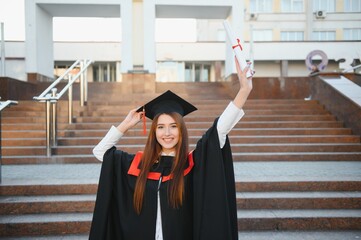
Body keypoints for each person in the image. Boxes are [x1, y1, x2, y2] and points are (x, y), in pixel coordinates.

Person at [89, 58, 253, 240]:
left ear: (181, 130)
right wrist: (125, 125)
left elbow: (220, 129)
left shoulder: (192, 163)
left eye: (173, 126)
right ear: (154, 132)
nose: (167, 133)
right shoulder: (139, 164)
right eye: (160, 127)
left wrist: (244, 90)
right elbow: (100, 152)